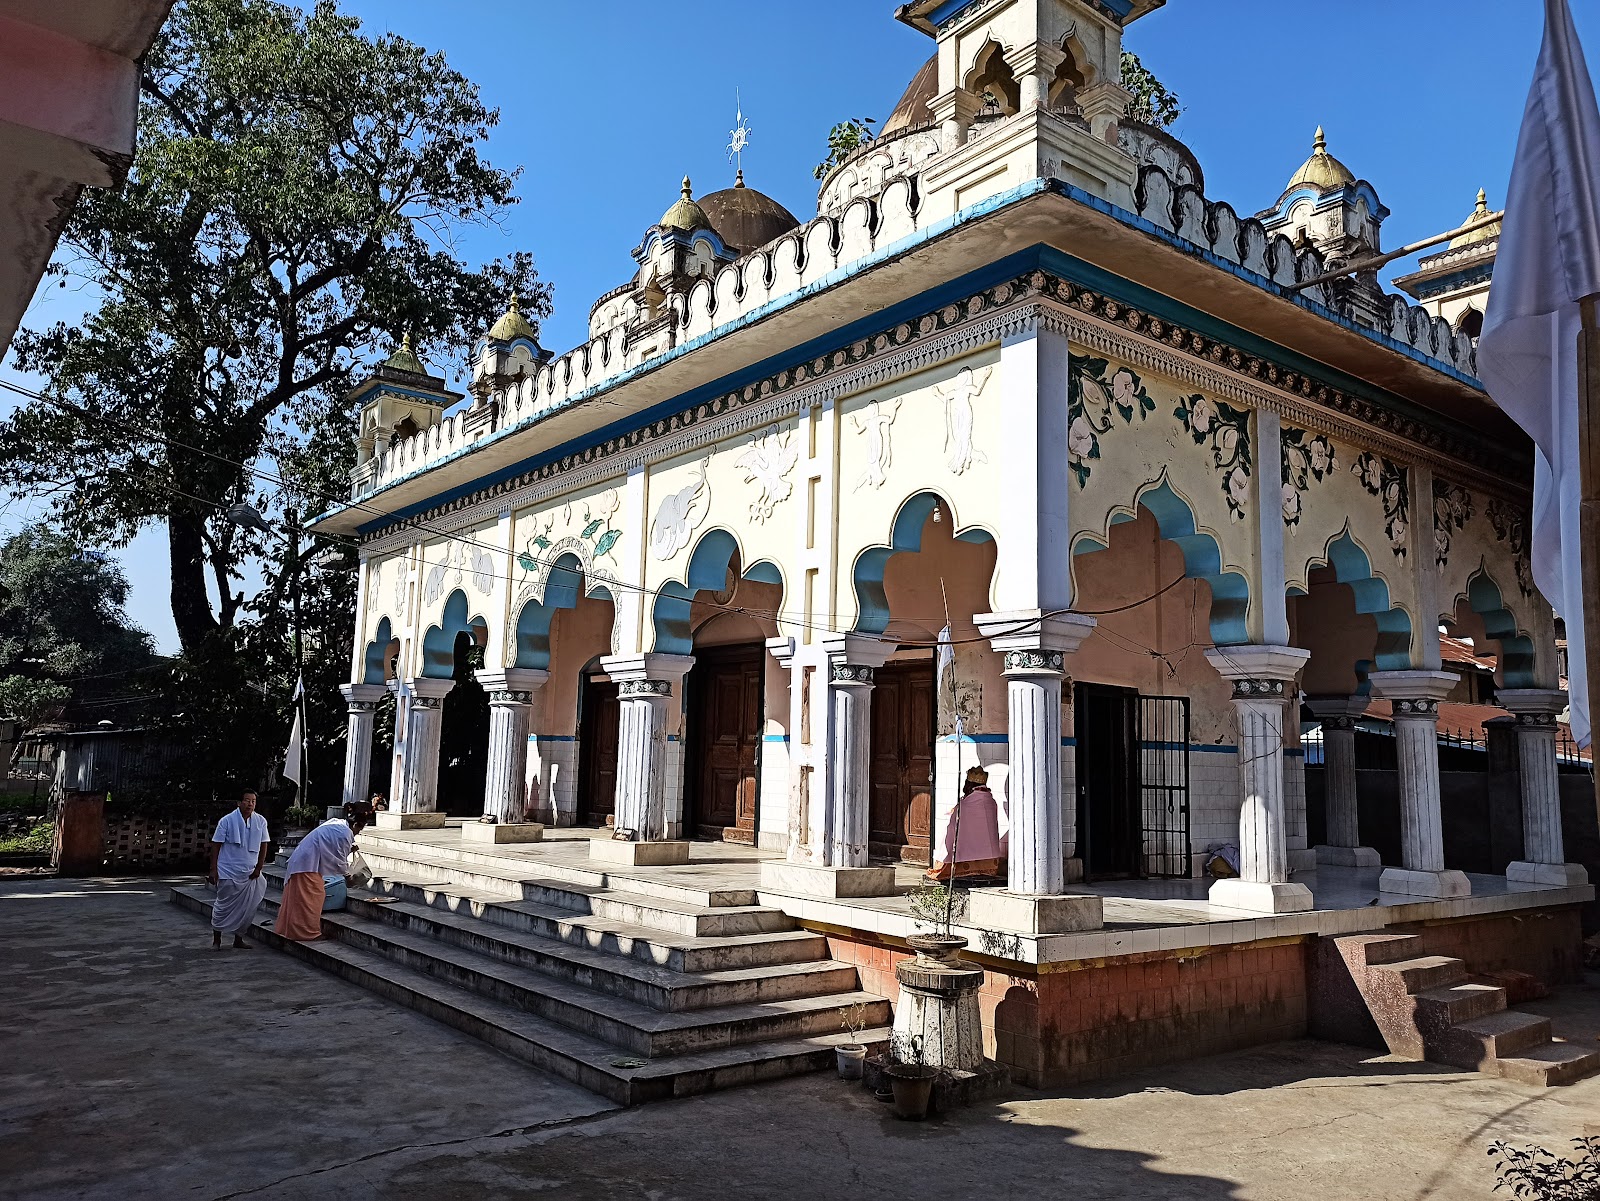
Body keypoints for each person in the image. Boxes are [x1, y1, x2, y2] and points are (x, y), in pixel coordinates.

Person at [274, 801, 372, 941]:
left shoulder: (338, 823)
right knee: (312, 898)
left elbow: (330, 849)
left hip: (306, 862)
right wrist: (348, 877)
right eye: (359, 830)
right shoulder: (345, 833)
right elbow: (338, 858)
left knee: (302, 898)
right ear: (356, 825)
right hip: (307, 864)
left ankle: (294, 930)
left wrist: (349, 851)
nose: (357, 833)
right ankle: (307, 932)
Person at [208, 790, 270, 950]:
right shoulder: (226, 821)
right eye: (247, 800)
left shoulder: (260, 821)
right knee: (222, 906)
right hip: (228, 870)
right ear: (239, 802)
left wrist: (259, 867)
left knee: (248, 908)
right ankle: (217, 940)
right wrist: (213, 869)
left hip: (250, 871)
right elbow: (216, 844)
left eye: (253, 801)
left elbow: (264, 844)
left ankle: (238, 939)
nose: (250, 804)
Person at [927, 766, 1003, 882]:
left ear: (970, 784)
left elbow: (954, 824)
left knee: (951, 831)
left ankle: (952, 869)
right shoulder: (990, 801)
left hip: (966, 854)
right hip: (990, 856)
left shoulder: (968, 803)